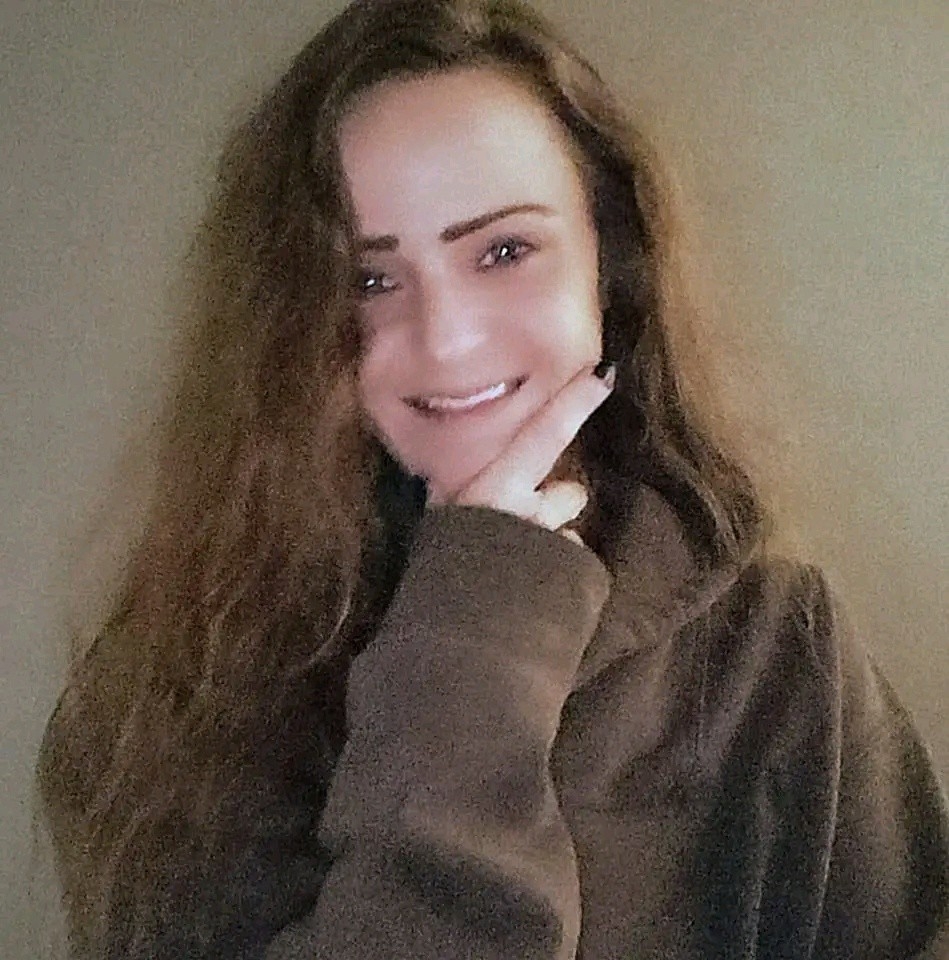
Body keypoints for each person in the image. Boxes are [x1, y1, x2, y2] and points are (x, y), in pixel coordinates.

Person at [35, 0, 948, 957]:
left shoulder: (778, 646)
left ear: (611, 266)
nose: (446, 339)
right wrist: (476, 622)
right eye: (370, 280)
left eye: (504, 252)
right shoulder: (168, 691)